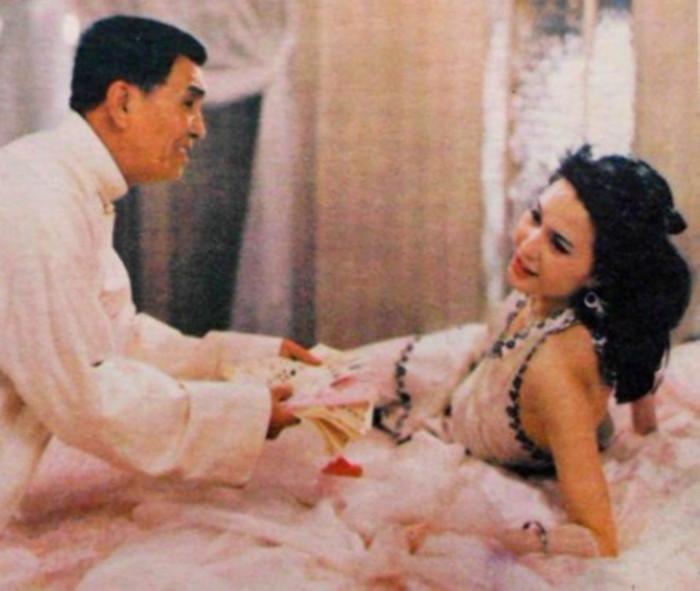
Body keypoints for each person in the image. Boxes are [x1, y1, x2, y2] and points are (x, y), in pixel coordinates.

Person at [0, 15, 318, 528]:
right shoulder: (38, 198)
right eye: (188, 103)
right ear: (123, 102)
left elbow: (114, 339)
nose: (199, 126)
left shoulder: (65, 184)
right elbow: (83, 392)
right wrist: (243, 414)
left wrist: (246, 360)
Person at [364, 145, 692, 557]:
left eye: (559, 244)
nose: (528, 246)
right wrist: (645, 427)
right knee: (321, 376)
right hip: (457, 373)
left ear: (599, 276)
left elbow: (599, 538)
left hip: (478, 415)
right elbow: (637, 344)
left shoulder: (555, 374)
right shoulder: (547, 294)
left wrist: (485, 538)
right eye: (536, 216)